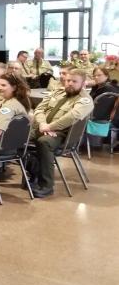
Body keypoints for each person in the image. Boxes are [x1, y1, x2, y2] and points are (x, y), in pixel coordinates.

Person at [28, 69, 94, 198]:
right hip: (42, 127)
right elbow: (39, 109)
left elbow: (71, 117)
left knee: (44, 142)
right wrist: (42, 124)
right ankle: (34, 171)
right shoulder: (57, 92)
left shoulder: (85, 100)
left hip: (62, 134)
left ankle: (46, 186)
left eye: (74, 81)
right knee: (17, 139)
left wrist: (50, 127)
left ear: (83, 83)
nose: (70, 83)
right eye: (68, 80)